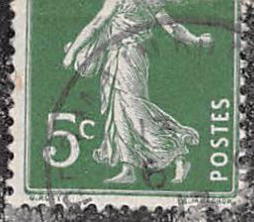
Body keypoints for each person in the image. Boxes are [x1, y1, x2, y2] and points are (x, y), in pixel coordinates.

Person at [63, 0, 211, 186]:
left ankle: (177, 152)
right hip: (120, 57)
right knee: (118, 110)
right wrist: (196, 40)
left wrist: (72, 53)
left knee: (133, 108)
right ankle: (128, 168)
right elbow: (173, 29)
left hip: (128, 57)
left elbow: (95, 25)